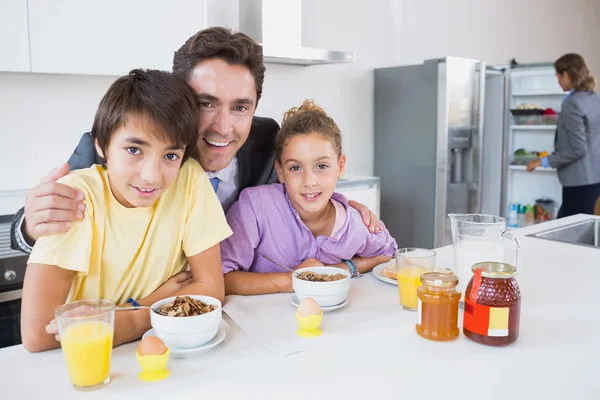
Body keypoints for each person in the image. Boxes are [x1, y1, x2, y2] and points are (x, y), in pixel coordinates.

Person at [10, 27, 382, 255]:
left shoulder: (269, 139)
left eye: (240, 107)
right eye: (206, 103)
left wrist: (334, 202)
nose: (223, 127)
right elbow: (32, 227)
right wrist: (30, 223)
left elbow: (302, 180)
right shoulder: (128, 149)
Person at [20, 69, 232, 352]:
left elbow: (211, 288)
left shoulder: (189, 178)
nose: (151, 176)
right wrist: (145, 308)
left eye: (170, 155)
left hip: (163, 353)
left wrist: (127, 319)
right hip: (86, 363)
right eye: (134, 150)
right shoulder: (75, 197)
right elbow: (38, 334)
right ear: (101, 144)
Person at [221, 100, 398, 295]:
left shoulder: (355, 224)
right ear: (280, 171)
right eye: (295, 168)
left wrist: (342, 269)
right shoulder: (255, 208)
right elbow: (221, 278)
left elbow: (388, 255)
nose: (309, 181)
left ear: (340, 166)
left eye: (321, 166)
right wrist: (296, 280)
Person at [527, 53, 600, 218]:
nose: (558, 81)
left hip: (579, 182)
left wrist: (543, 161)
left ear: (567, 74)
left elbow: (578, 149)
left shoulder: (572, 103)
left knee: (567, 233)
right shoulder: (593, 98)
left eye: (558, 76)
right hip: (594, 179)